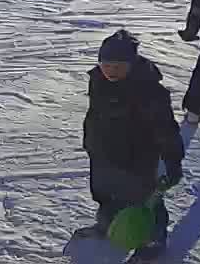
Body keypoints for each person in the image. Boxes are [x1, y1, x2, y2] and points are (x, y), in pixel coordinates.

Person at [77, 30, 183, 253]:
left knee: (145, 201)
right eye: (106, 65)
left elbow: (166, 129)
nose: (111, 71)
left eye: (118, 66)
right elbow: (94, 114)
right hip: (104, 153)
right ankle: (107, 225)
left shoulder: (150, 91)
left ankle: (153, 240)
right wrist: (90, 142)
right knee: (105, 194)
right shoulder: (98, 80)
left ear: (132, 64)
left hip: (138, 158)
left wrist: (173, 160)